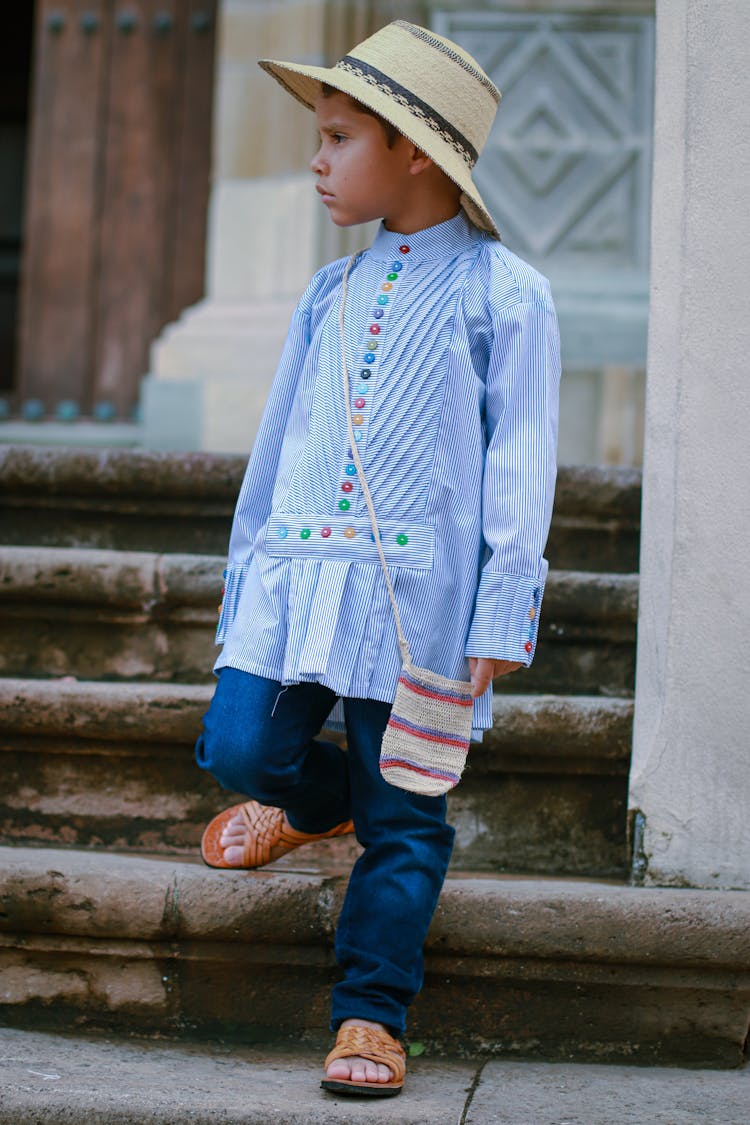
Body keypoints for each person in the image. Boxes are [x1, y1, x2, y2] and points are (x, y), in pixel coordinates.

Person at [195, 19, 560, 1098]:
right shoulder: (327, 293)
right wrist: (244, 582)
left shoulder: (506, 294)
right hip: (299, 584)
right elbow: (279, 451)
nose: (318, 158)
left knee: (405, 813)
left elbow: (524, 459)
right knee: (237, 747)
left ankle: (369, 1012)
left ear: (412, 150)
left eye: (340, 136)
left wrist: (504, 609)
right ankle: (312, 801)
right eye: (320, 134)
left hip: (423, 602)